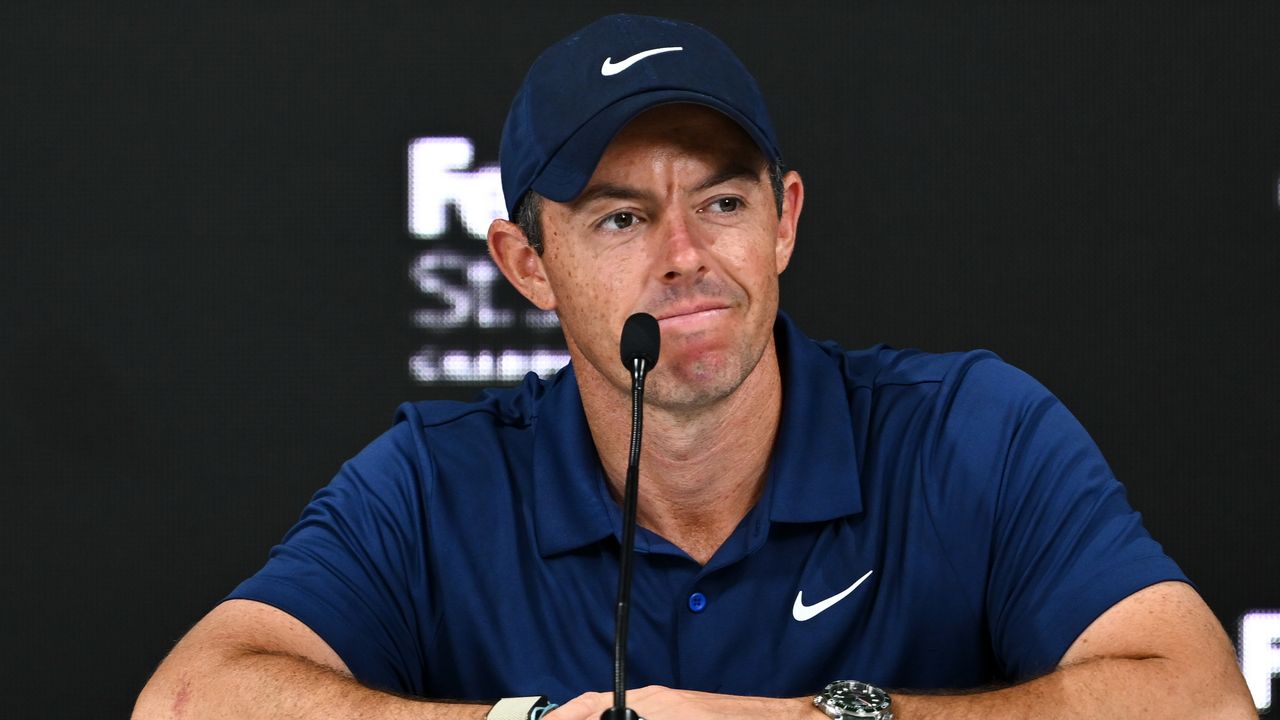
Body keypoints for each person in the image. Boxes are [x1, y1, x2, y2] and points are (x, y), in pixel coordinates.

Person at [133, 14, 1254, 720]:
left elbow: (1199, 696)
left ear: (784, 222)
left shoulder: (970, 433)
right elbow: (189, 701)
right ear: (527, 263)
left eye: (721, 202)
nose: (686, 258)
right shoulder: (436, 482)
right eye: (620, 219)